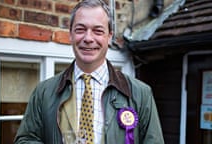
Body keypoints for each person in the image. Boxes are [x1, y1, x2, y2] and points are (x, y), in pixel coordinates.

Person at [14, 0, 164, 144]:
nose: (88, 38)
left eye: (98, 31)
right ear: (71, 34)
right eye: (80, 29)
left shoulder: (141, 94)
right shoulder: (43, 92)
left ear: (109, 36)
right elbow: (25, 140)